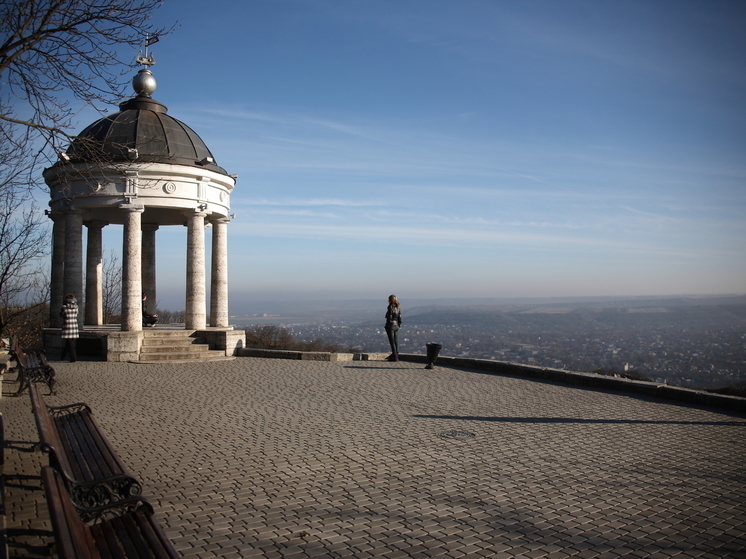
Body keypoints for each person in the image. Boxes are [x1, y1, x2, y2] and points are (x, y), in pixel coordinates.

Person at [59, 293, 79, 362]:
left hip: (67, 326)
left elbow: (61, 315)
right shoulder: (76, 307)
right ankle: (62, 357)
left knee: (70, 344)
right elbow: (76, 314)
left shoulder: (64, 307)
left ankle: (73, 358)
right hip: (74, 325)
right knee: (69, 343)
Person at [385, 294, 402, 362]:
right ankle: (396, 355)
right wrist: (398, 325)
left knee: (392, 341)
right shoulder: (398, 308)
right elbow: (399, 318)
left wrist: (388, 326)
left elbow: (389, 318)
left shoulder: (390, 308)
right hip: (396, 325)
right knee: (396, 341)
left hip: (391, 326)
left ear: (390, 300)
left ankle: (394, 356)